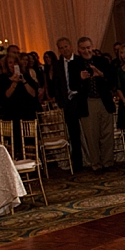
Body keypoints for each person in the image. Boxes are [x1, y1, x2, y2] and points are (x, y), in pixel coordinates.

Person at [69, 37, 116, 172]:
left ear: (92, 47)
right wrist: (81, 78)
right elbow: (72, 85)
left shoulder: (102, 61)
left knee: (107, 133)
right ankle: (96, 164)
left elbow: (112, 81)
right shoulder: (74, 65)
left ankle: (108, 163)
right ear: (79, 49)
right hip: (87, 103)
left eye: (88, 47)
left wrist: (100, 74)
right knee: (91, 135)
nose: (86, 50)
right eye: (83, 48)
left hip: (104, 101)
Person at [52, 37, 84, 171]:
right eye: (61, 48)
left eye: (66, 46)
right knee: (73, 133)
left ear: (70, 46)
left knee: (86, 131)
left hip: (80, 100)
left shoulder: (79, 60)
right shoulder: (58, 64)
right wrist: (61, 101)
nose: (64, 49)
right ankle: (77, 162)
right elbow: (56, 84)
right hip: (68, 103)